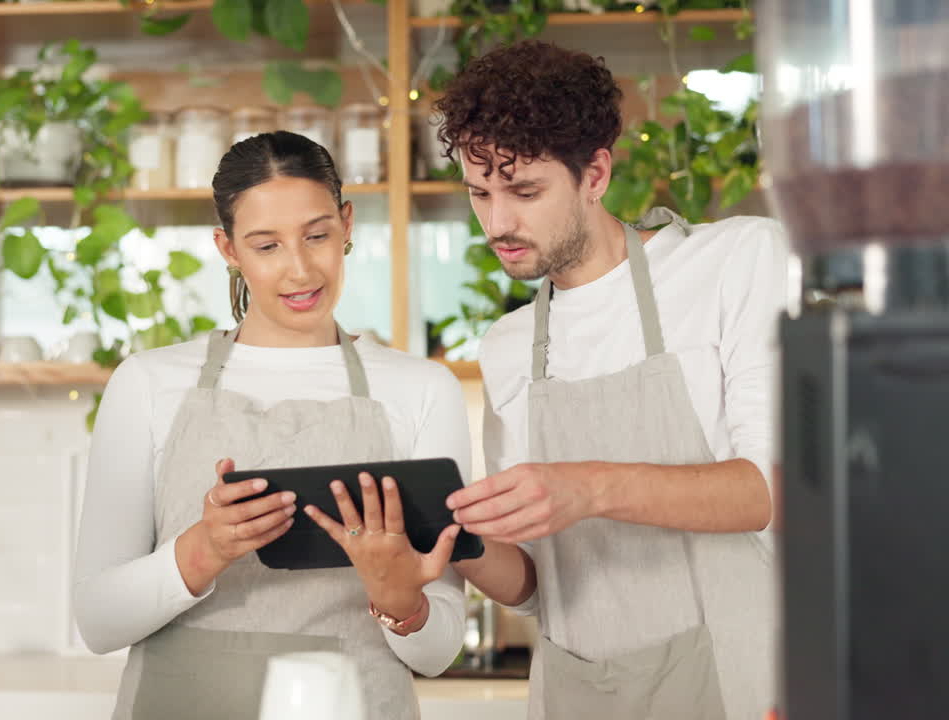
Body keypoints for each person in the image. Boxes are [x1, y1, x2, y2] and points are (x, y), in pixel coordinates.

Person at [437, 40, 786, 720]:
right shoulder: (508, 348)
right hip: (577, 696)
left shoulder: (732, 262)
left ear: (595, 174)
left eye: (525, 191)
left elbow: (768, 491)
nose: (497, 222)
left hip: (733, 683)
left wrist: (586, 487)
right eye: (479, 193)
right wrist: (458, 543)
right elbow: (541, 586)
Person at [72, 131, 470, 720]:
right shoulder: (148, 384)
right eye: (266, 246)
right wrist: (203, 550)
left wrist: (398, 598)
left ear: (347, 225)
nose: (300, 269)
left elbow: (438, 653)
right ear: (227, 248)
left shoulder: (421, 389)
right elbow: (98, 621)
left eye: (317, 235)